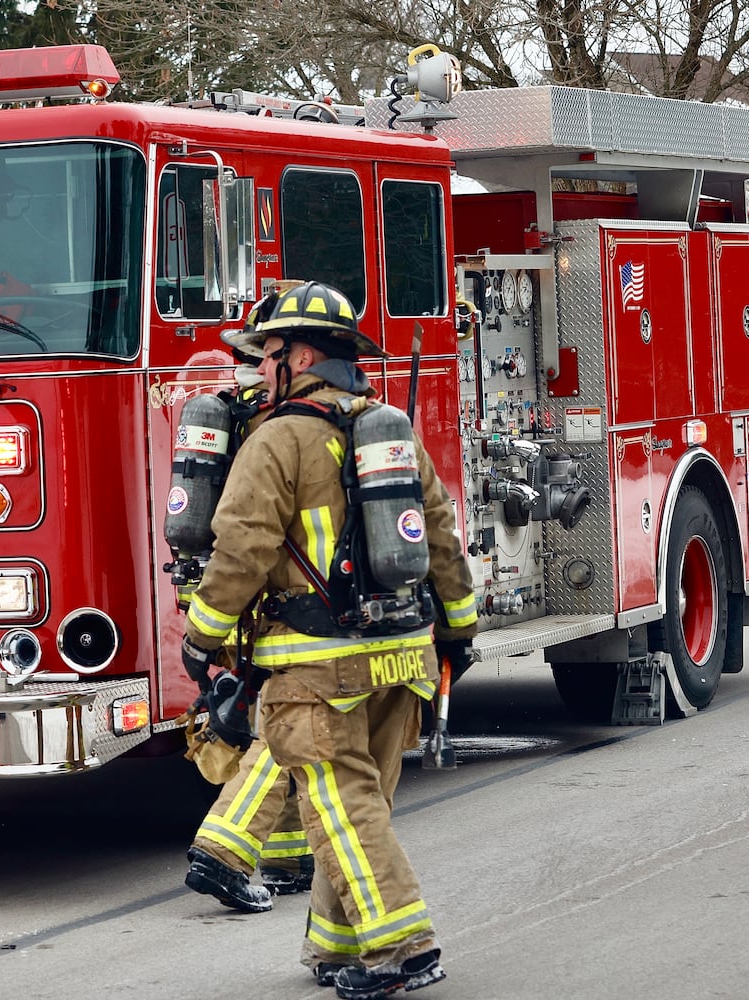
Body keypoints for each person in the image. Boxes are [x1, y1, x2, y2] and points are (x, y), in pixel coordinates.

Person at [180, 281, 478, 1000]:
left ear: (300, 356)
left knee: (342, 812)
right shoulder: (389, 426)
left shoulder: (277, 437)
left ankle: (402, 948)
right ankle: (336, 949)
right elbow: (440, 536)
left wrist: (202, 637)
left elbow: (241, 548)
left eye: (268, 355)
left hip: (316, 669)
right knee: (353, 809)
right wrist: (460, 631)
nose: (258, 370)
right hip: (402, 657)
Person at [184, 292, 316, 913]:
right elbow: (252, 537)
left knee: (273, 717)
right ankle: (223, 850)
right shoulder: (276, 426)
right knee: (287, 735)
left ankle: (288, 855)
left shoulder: (236, 414)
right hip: (268, 599)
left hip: (237, 598)